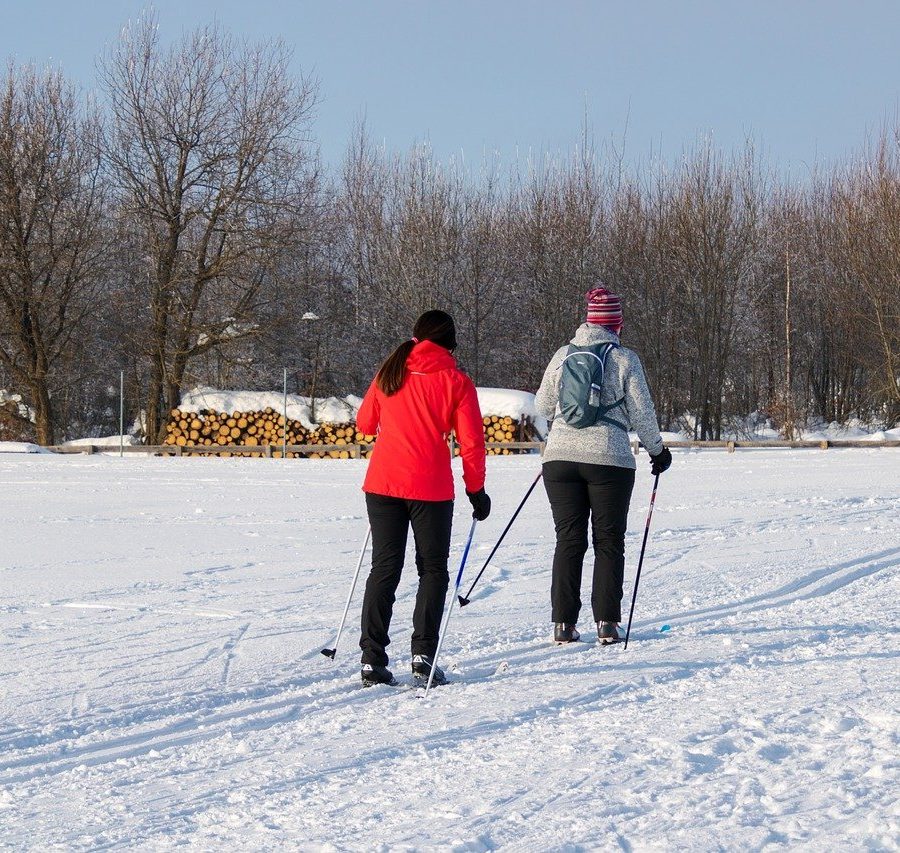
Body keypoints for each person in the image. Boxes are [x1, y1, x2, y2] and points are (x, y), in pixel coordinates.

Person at [355, 310, 491, 687]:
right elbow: (472, 442)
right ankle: (423, 655)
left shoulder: (390, 370)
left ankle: (371, 659)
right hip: (430, 487)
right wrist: (476, 489)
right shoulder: (456, 381)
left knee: (384, 568)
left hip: (382, 484)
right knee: (432, 570)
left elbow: (365, 423)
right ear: (450, 342)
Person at [534, 287, 672, 645]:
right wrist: (657, 450)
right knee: (609, 541)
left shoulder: (563, 355)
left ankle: (563, 625)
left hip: (560, 460)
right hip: (610, 460)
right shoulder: (626, 359)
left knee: (569, 540)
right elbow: (642, 413)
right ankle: (607, 624)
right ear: (616, 325)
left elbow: (543, 406)